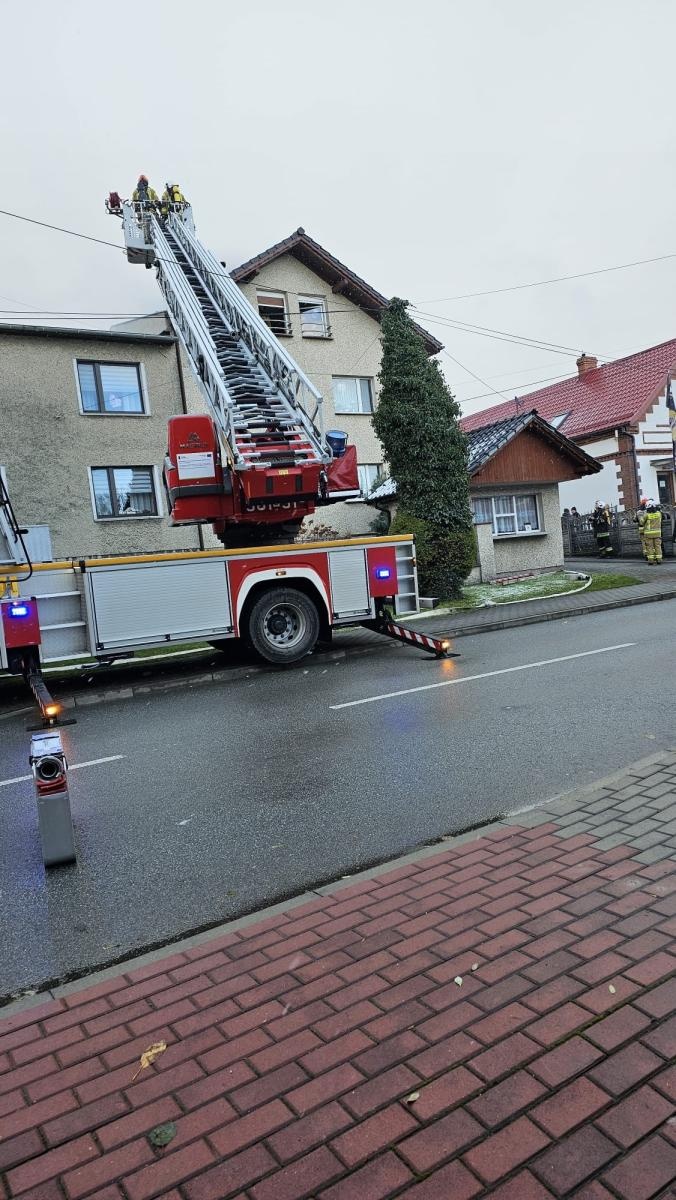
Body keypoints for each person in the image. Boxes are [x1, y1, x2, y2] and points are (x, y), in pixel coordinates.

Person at [643, 499, 663, 564]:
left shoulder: (646, 515)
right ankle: (659, 560)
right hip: (657, 533)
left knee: (650, 547)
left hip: (648, 534)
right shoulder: (658, 513)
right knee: (658, 546)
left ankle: (651, 561)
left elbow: (641, 522)